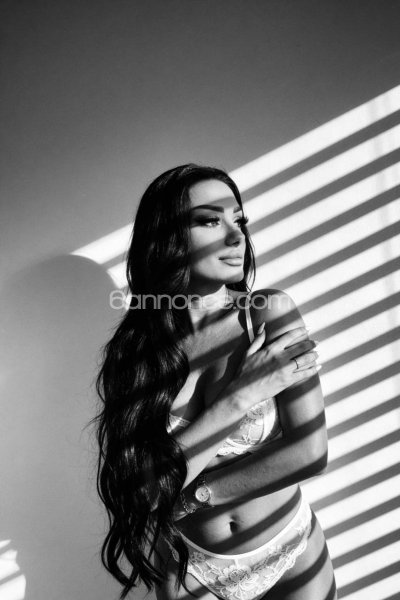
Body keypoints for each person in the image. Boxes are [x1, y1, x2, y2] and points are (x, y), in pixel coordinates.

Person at [93, 164, 337, 600]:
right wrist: (242, 395)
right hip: (191, 567)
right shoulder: (135, 355)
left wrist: (195, 494)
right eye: (209, 221)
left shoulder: (267, 314)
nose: (235, 236)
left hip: (291, 550)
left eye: (239, 221)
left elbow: (310, 453)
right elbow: (145, 494)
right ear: (167, 238)